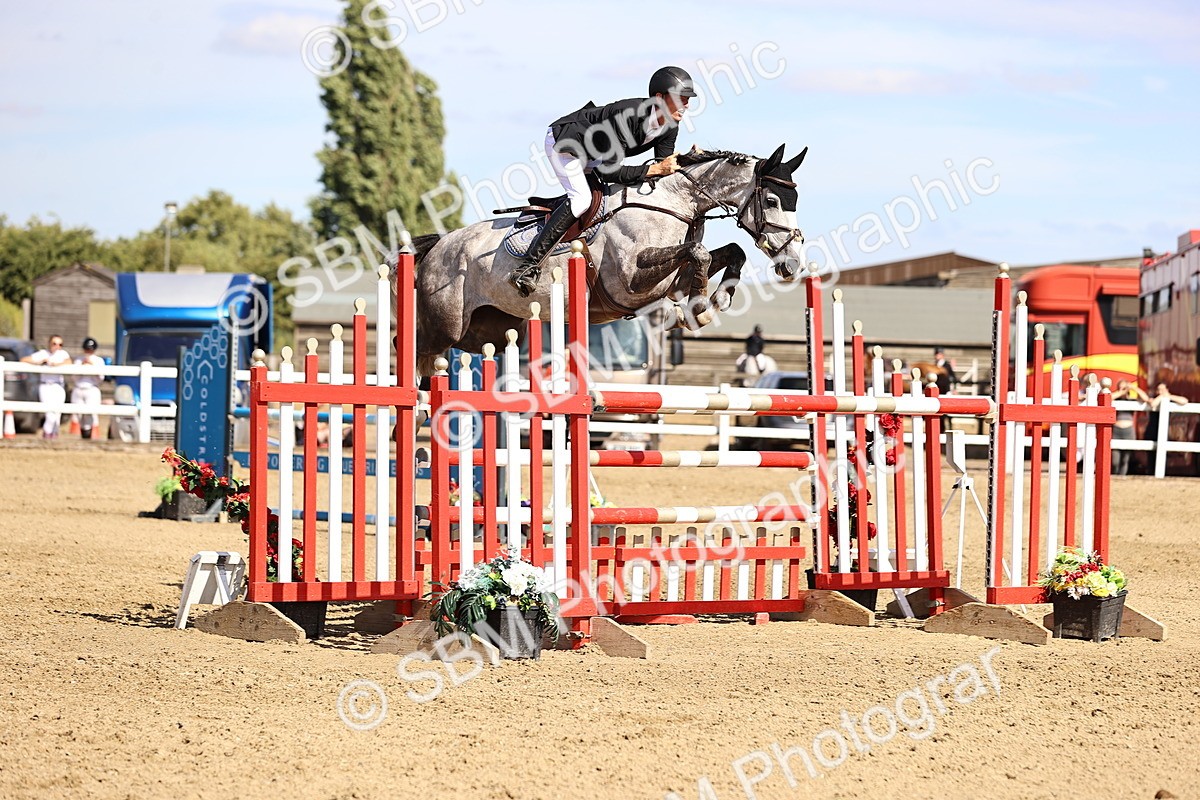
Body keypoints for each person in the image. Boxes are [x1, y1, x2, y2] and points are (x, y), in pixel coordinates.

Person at [508, 66, 697, 296]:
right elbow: (610, 171)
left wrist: (688, 160)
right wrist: (654, 168)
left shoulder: (670, 126)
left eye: (688, 100)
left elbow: (662, 166)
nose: (686, 105)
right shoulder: (628, 116)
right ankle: (528, 266)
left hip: (595, 152)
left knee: (606, 200)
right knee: (581, 200)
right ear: (659, 98)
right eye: (682, 99)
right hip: (568, 143)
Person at [20, 334, 72, 438]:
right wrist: (40, 362)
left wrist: (56, 365)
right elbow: (24, 359)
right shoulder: (43, 354)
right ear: (49, 343)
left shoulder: (62, 354)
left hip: (58, 386)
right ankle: (47, 434)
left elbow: (69, 362)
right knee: (49, 412)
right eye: (54, 343)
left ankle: (54, 434)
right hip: (45, 386)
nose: (57, 346)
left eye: (60, 344)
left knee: (57, 412)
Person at [1111, 379, 1149, 476]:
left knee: (1125, 459)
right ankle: (1115, 475)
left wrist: (1133, 388)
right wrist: (1121, 392)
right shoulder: (1116, 400)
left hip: (1128, 431)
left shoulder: (1132, 400)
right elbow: (1109, 397)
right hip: (1116, 431)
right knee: (1115, 460)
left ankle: (1122, 477)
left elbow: (1145, 399)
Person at [71, 337, 105, 439]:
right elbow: (74, 377)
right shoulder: (78, 360)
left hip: (91, 388)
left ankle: (88, 435)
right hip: (79, 387)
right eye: (87, 349)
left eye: (90, 349)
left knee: (90, 413)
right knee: (79, 414)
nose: (88, 351)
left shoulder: (98, 361)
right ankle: (83, 433)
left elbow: (100, 378)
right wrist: (82, 366)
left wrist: (92, 366)